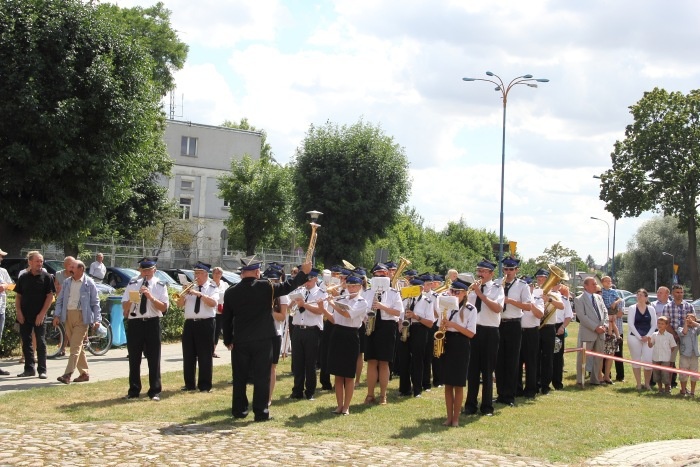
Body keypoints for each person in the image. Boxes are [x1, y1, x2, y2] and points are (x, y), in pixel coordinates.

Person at [223, 256, 310, 422]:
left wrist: (228, 340)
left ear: (242, 273)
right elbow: (287, 286)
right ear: (257, 272)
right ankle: (261, 411)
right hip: (263, 339)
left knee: (239, 377)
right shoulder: (266, 286)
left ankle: (239, 410)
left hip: (240, 340)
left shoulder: (231, 291)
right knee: (262, 376)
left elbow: (226, 319)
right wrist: (302, 273)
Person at [121, 257, 170, 401]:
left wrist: (150, 297)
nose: (146, 273)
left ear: (154, 270)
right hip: (135, 323)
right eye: (144, 270)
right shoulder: (133, 283)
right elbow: (125, 306)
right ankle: (134, 390)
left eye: (149, 270)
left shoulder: (160, 285)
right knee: (134, 358)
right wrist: (134, 297)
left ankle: (155, 390)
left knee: (154, 358)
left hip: (152, 322)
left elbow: (164, 307)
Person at [464, 259, 505, 416]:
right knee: (472, 370)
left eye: (483, 271)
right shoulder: (472, 289)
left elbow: (497, 308)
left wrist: (480, 293)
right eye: (478, 271)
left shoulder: (497, 289)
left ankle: (487, 406)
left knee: (487, 371)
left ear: (491, 273)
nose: (479, 274)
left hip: (490, 331)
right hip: (474, 331)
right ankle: (470, 405)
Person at [326, 274, 368, 415]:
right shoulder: (342, 299)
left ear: (360, 287)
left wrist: (332, 304)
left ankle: (347, 406)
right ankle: (339, 405)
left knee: (349, 375)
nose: (351, 289)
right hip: (337, 333)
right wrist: (322, 308)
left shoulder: (362, 302)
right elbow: (334, 319)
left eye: (354, 286)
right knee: (338, 374)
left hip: (351, 335)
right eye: (349, 286)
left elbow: (348, 315)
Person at [53, 260, 101, 384]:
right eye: (70, 267)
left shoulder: (89, 283)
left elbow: (95, 303)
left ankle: (67, 374)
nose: (70, 269)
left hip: (82, 317)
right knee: (78, 347)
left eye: (73, 267)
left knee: (74, 346)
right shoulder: (67, 282)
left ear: (81, 269)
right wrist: (56, 315)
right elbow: (60, 300)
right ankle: (84, 374)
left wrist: (97, 319)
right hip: (68, 316)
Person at [363, 263, 404, 405]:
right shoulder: (367, 292)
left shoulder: (394, 293)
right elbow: (362, 310)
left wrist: (381, 306)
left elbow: (398, 312)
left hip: (387, 327)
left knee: (384, 362)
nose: (380, 276)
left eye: (383, 274)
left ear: (387, 276)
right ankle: (370, 394)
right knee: (372, 361)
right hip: (372, 325)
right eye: (377, 274)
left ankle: (383, 395)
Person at [177, 261, 219, 393]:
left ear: (206, 275)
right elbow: (179, 305)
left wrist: (198, 294)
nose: (196, 276)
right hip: (190, 324)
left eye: (199, 273)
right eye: (195, 273)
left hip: (205, 323)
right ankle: (189, 384)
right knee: (188, 354)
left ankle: (205, 385)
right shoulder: (190, 288)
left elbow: (213, 303)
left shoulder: (212, 288)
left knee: (205, 355)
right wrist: (183, 295)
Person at [495, 257, 531, 406]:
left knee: (512, 360)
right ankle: (500, 393)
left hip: (514, 324)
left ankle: (510, 395)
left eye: (511, 269)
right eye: (506, 269)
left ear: (517, 270)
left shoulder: (523, 285)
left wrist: (510, 301)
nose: (508, 272)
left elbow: (528, 307)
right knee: (499, 360)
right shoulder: (497, 283)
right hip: (498, 323)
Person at [441, 279, 476, 427]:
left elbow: (471, 333)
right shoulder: (447, 306)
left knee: (459, 384)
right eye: (452, 291)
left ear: (464, 293)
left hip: (461, 344)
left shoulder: (470, 309)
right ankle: (448, 417)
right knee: (448, 384)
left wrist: (454, 325)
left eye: (457, 292)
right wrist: (443, 326)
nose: (454, 294)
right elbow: (440, 325)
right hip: (447, 342)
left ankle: (456, 418)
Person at [14, 251, 53, 379]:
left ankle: (42, 370)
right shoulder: (23, 277)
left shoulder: (47, 277)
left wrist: (42, 314)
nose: (40, 264)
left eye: (41, 261)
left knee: (41, 342)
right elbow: (18, 296)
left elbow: (49, 296)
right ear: (30, 262)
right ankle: (29, 369)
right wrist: (18, 312)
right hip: (24, 316)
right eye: (37, 261)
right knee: (26, 342)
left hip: (39, 316)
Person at [289, 268, 326, 400]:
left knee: (310, 363)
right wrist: (293, 302)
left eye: (309, 280)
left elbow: (320, 311)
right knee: (298, 362)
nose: (307, 282)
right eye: (306, 280)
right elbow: (289, 308)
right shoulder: (300, 291)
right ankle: (297, 390)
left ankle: (310, 391)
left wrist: (304, 305)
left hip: (312, 330)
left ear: (315, 279)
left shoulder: (321, 293)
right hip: (298, 329)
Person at [398, 274, 436, 398]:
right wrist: (400, 323)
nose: (412, 290)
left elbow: (430, 323)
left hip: (420, 329)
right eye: (411, 287)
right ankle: (404, 389)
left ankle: (417, 389)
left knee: (417, 359)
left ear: (421, 289)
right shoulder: (404, 300)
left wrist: (416, 317)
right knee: (403, 359)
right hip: (405, 328)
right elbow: (399, 316)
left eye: (415, 288)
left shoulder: (427, 301)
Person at [573, 277, 608, 386]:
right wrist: (595, 327)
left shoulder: (598, 297)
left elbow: (605, 312)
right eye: (593, 284)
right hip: (588, 332)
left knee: (598, 357)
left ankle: (595, 379)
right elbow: (582, 317)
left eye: (595, 284)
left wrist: (605, 326)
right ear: (586, 286)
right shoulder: (579, 299)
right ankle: (580, 379)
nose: (595, 285)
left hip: (601, 333)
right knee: (583, 357)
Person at [264, 267, 289, 406]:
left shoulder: (282, 295)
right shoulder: (262, 293)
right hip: (262, 334)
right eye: (270, 280)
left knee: (272, 367)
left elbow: (282, 316)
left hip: (275, 333)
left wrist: (269, 312)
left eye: (274, 280)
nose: (272, 282)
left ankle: (269, 397)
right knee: (261, 366)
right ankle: (261, 394)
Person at [662, 284, 693, 389]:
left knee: (685, 363)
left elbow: (692, 322)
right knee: (670, 362)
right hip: (672, 338)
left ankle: (683, 387)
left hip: (686, 338)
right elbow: (666, 323)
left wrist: (684, 332)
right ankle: (668, 385)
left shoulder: (689, 306)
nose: (679, 294)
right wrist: (675, 335)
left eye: (681, 292)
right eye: (677, 292)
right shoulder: (668, 307)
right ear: (672, 293)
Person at [627, 289, 656, 391]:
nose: (639, 297)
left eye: (641, 295)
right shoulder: (632, 308)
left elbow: (654, 325)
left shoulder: (651, 309)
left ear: (646, 297)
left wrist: (647, 336)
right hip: (634, 337)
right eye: (638, 295)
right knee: (636, 360)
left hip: (648, 338)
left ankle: (647, 384)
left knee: (648, 360)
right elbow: (630, 324)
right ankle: (639, 384)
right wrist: (639, 337)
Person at [601, 276, 625, 382]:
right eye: (606, 281)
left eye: (610, 281)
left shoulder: (613, 292)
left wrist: (615, 303)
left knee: (616, 354)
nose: (609, 283)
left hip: (612, 310)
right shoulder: (600, 292)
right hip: (605, 313)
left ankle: (617, 335)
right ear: (602, 283)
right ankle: (605, 375)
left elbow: (620, 301)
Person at [648, 316, 677, 394]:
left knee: (665, 374)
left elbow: (673, 346)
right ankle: (660, 389)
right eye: (659, 323)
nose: (660, 325)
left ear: (666, 325)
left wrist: (667, 352)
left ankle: (667, 388)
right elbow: (650, 345)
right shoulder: (654, 335)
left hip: (665, 358)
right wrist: (648, 341)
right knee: (657, 374)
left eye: (662, 324)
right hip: (656, 357)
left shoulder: (669, 336)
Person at [552, 284, 573, 390]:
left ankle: (557, 382)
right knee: (544, 355)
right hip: (546, 326)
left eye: (556, 284)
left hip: (558, 326)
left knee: (558, 357)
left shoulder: (564, 299)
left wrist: (562, 327)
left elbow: (568, 316)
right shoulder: (545, 296)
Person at [677, 313, 699, 397]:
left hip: (694, 355)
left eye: (692, 320)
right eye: (689, 320)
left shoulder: (695, 330)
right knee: (683, 374)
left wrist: (694, 322)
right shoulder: (680, 328)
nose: (690, 322)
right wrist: (686, 323)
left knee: (694, 374)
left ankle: (692, 392)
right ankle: (683, 390)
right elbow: (684, 332)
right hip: (685, 354)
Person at [211, 267, 229, 358]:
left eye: (219, 273)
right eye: (215, 273)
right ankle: (206, 350)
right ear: (212, 274)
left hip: (221, 311)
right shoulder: (209, 284)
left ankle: (213, 351)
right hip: (211, 310)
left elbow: (228, 296)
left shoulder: (224, 284)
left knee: (217, 331)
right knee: (210, 331)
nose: (217, 275)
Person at [0, 248, 13, 376]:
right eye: (0, 256)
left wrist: (5, 286)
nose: (1, 258)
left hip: (1, 310)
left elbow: (11, 285)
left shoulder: (3, 271)